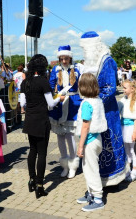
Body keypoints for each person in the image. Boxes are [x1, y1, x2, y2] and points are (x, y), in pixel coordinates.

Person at [80, 31, 126, 186]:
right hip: (96, 109)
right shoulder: (89, 63)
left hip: (107, 111)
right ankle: (97, 181)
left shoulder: (107, 61)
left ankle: (113, 179)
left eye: (86, 49)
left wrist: (94, 103)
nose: (85, 52)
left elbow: (110, 87)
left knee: (110, 143)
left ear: (94, 47)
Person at [20, 54, 64, 198]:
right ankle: (40, 185)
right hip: (41, 120)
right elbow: (51, 104)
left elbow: (23, 104)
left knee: (32, 150)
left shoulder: (24, 82)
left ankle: (32, 179)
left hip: (29, 120)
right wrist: (60, 99)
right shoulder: (43, 82)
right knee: (42, 153)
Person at [49, 45, 82, 178]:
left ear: (70, 57)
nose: (64, 61)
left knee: (70, 135)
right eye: (61, 58)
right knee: (60, 136)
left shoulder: (77, 69)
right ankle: (64, 164)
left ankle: (73, 163)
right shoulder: (55, 70)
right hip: (60, 102)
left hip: (73, 102)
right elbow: (50, 86)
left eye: (66, 58)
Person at [75, 73, 107, 212]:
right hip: (97, 138)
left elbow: (85, 126)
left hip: (89, 141)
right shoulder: (98, 100)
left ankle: (98, 198)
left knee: (91, 170)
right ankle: (91, 194)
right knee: (88, 168)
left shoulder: (87, 103)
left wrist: (80, 145)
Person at [118, 79, 136, 182]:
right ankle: (128, 169)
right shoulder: (123, 99)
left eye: (125, 88)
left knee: (133, 150)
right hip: (123, 127)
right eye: (123, 87)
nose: (123, 89)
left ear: (132, 89)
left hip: (132, 128)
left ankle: (134, 171)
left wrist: (135, 132)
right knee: (126, 149)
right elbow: (117, 108)